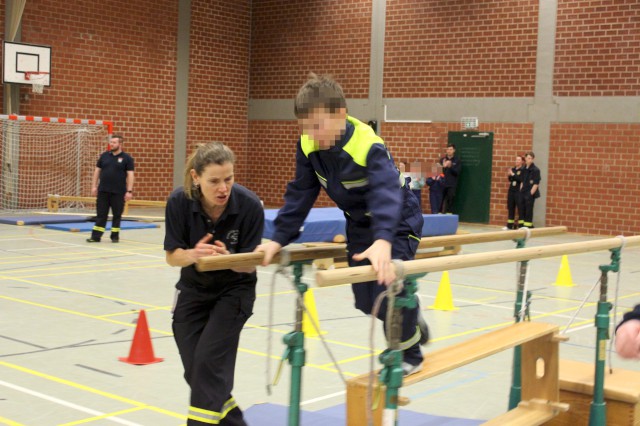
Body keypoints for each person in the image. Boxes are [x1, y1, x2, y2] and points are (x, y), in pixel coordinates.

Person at [256, 73, 429, 377]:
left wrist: (385, 240)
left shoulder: (367, 145)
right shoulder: (308, 146)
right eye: (305, 127)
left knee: (389, 290)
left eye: (318, 126)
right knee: (365, 301)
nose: (312, 134)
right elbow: (300, 193)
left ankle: (411, 353)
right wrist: (278, 238)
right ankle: (412, 321)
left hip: (397, 220)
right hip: (360, 226)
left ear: (341, 114)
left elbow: (387, 194)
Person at [164, 142, 264, 426]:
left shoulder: (248, 205)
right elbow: (172, 257)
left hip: (235, 292)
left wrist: (228, 259)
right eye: (214, 181)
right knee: (197, 372)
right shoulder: (178, 202)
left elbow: (250, 263)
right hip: (193, 292)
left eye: (229, 179)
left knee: (208, 364)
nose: (223, 188)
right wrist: (193, 255)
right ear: (196, 178)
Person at [87, 134, 134, 243]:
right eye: (111, 142)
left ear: (120, 144)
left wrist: (129, 191)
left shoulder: (127, 158)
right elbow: (97, 171)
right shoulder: (104, 156)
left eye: (114, 142)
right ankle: (96, 236)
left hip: (118, 192)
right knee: (101, 215)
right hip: (103, 191)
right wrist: (94, 186)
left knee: (117, 215)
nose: (111, 144)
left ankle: (114, 236)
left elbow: (130, 175)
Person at [519, 151, 541, 228]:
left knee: (528, 210)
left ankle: (528, 226)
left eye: (531, 158)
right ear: (525, 159)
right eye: (528, 158)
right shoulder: (523, 168)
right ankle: (521, 225)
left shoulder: (535, 170)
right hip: (523, 192)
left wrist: (530, 194)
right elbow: (522, 181)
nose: (530, 160)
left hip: (530, 193)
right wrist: (521, 190)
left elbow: (536, 183)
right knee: (522, 209)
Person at [439, 143, 461, 214]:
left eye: (451, 149)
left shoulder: (457, 160)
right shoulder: (442, 160)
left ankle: (449, 213)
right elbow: (438, 172)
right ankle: (440, 213)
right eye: (448, 149)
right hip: (442, 183)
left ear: (454, 150)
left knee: (450, 198)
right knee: (440, 199)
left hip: (451, 183)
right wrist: (443, 166)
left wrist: (450, 166)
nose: (449, 151)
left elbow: (457, 172)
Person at [506, 155, 525, 229]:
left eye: (519, 160)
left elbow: (520, 179)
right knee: (511, 207)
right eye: (516, 159)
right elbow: (511, 180)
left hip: (518, 191)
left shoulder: (523, 170)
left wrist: (513, 174)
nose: (517, 161)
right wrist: (509, 175)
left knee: (520, 208)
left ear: (522, 161)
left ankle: (520, 226)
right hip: (511, 190)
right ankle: (509, 225)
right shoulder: (513, 169)